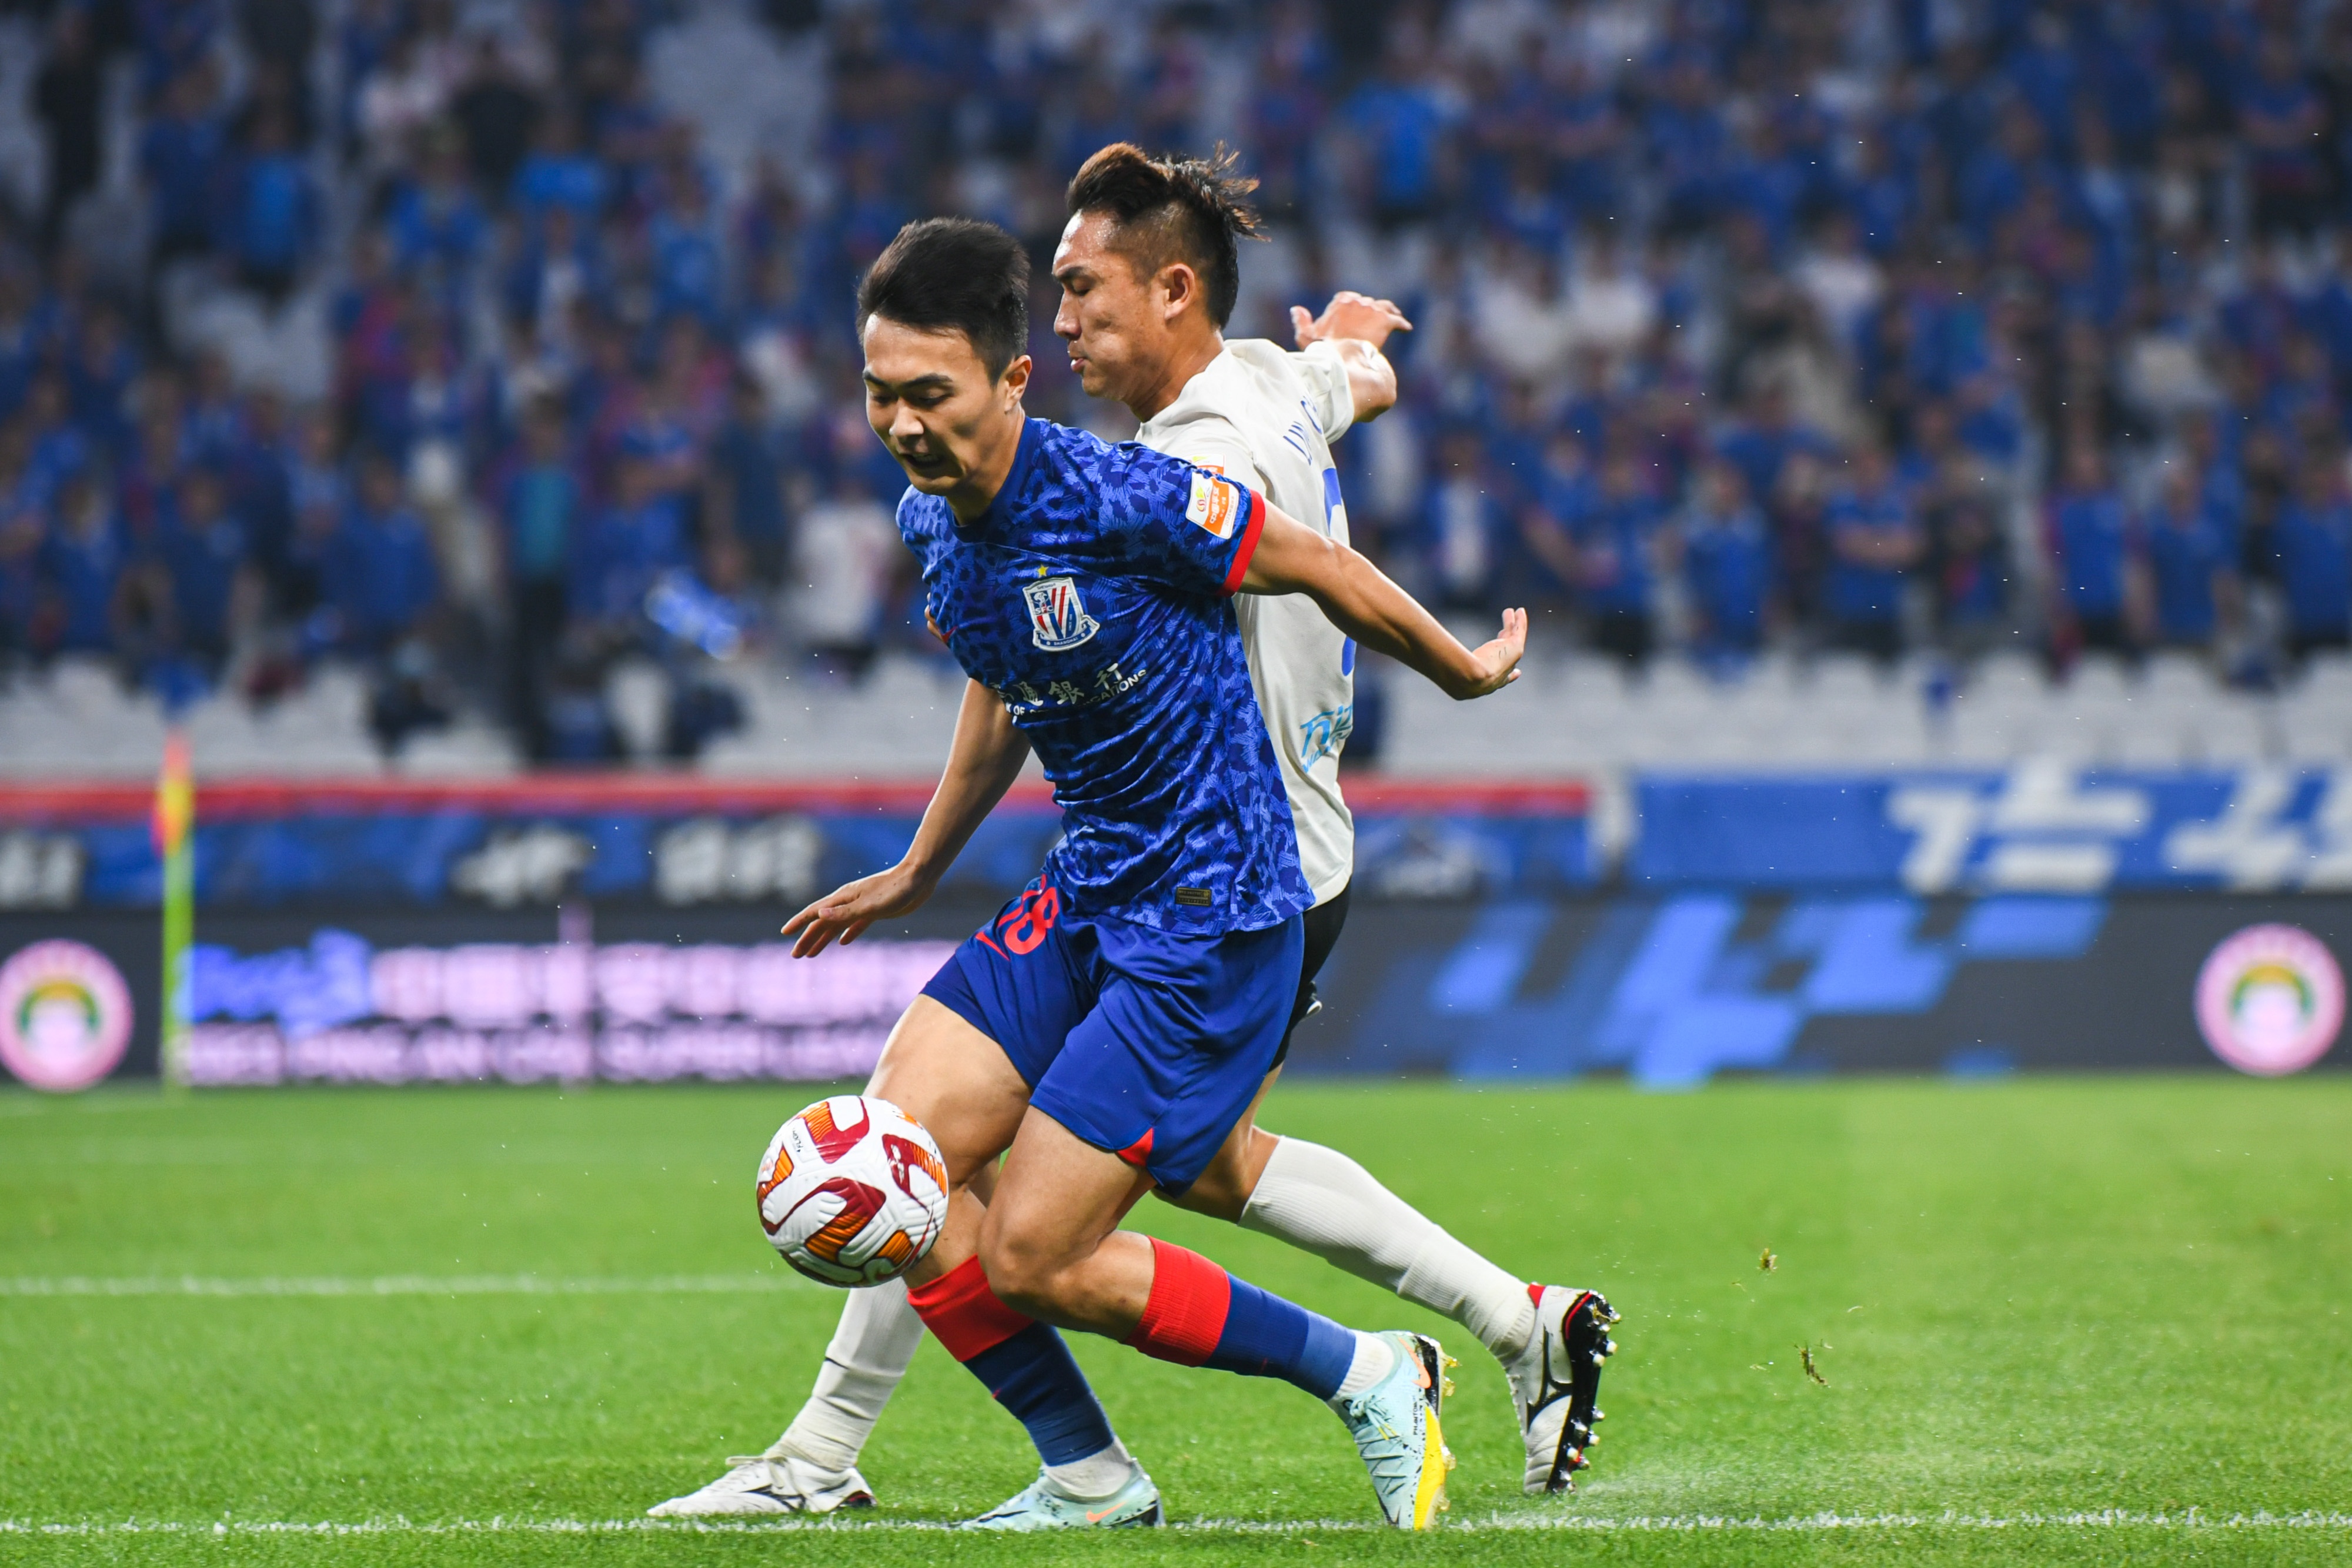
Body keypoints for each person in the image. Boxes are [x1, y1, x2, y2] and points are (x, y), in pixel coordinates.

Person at [656, 154, 1615, 1531]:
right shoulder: (1242, 391)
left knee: (1072, 1224)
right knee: (916, 1143)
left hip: (1234, 877)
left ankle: (1381, 1366)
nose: (1064, 320)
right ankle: (935, 1462)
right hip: (1102, 872)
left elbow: (1306, 559)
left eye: (1082, 290)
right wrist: (1354, 345)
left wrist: (1459, 669)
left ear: (1167, 292)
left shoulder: (1154, 477)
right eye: (880, 393)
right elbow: (1333, 390)